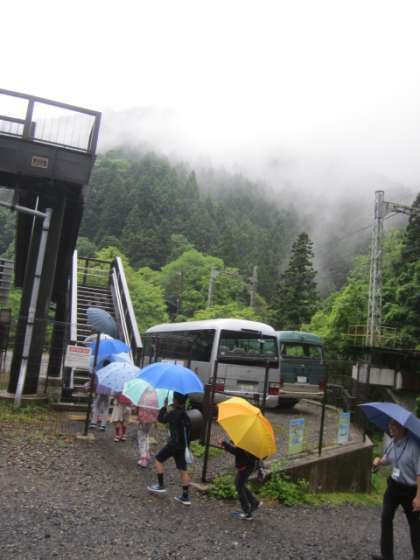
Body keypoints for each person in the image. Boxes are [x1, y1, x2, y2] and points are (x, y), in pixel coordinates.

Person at [371, 419, 420, 560]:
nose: (390, 428)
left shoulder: (414, 447)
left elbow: (419, 474)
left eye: (394, 425)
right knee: (386, 517)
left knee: (414, 523)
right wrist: (379, 461)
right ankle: (387, 556)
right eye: (390, 424)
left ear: (403, 428)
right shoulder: (392, 443)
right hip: (394, 487)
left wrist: (418, 497)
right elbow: (389, 459)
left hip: (410, 489)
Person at [147, 392, 192, 505]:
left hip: (173, 444)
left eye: (174, 399)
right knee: (183, 469)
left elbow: (161, 419)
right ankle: (185, 496)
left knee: (158, 460)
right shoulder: (186, 415)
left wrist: (164, 407)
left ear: (175, 400)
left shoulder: (173, 413)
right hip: (182, 446)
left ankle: (160, 485)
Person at [219, 438, 262, 520]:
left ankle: (247, 512)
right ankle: (254, 502)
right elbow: (239, 450)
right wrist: (230, 444)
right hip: (249, 465)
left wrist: (224, 444)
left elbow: (237, 451)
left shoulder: (245, 441)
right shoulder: (252, 440)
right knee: (240, 484)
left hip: (245, 467)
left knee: (239, 486)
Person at [137, 388, 159, 468]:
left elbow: (138, 407)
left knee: (141, 437)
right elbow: (157, 410)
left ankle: (144, 458)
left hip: (143, 419)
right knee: (146, 435)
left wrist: (139, 417)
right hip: (151, 420)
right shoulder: (155, 396)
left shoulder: (142, 395)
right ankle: (147, 453)